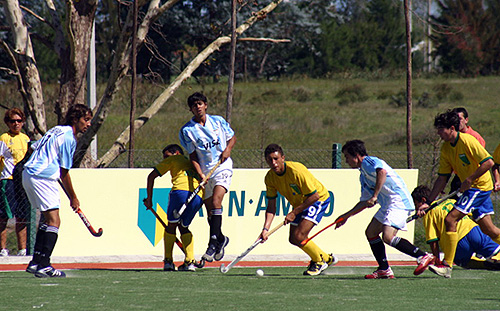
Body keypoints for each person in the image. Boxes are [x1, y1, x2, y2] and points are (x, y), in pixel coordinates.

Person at [334, 140, 434, 279]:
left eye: (347, 157)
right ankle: (384, 269)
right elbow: (364, 202)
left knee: (387, 237)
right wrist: (346, 216)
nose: (346, 161)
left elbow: (382, 172)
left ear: (356, 155)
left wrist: (375, 196)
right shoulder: (363, 175)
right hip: (388, 204)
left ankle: (423, 256)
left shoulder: (368, 162)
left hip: (398, 200)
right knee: (371, 232)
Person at [426, 109, 500, 278]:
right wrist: (429, 201)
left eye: (440, 129)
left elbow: (489, 162)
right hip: (474, 188)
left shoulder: (467, 141)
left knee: (450, 219)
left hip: (478, 187)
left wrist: (469, 179)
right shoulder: (445, 148)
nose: (438, 133)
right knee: (489, 230)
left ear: (452, 128)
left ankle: (447, 266)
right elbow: (442, 178)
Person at [23, 104, 92, 278]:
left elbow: (33, 147)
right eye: (86, 120)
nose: (88, 124)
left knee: (47, 219)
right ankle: (45, 265)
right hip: (43, 177)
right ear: (75, 119)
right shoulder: (70, 138)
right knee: (54, 221)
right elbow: (64, 172)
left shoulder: (56, 130)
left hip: (28, 174)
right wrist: (73, 198)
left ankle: (36, 262)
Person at [259, 144, 337, 276]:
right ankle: (326, 258)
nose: (273, 163)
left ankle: (319, 261)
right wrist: (265, 229)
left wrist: (294, 212)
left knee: (299, 236)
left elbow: (314, 196)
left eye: (276, 159)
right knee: (294, 239)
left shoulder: (296, 171)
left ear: (283, 158)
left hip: (318, 200)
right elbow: (271, 206)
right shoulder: (270, 178)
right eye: (269, 160)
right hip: (300, 203)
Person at [179, 92, 236, 262]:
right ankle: (221, 238)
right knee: (210, 211)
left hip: (223, 166)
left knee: (217, 202)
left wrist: (228, 150)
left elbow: (232, 138)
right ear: (191, 109)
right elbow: (193, 156)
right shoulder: (187, 131)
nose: (198, 107)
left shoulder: (218, 121)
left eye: (200, 103)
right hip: (205, 173)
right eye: (194, 105)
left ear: (205, 105)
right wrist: (200, 174)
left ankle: (212, 243)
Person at [411, 185, 500, 273]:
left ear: (423, 200)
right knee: (496, 251)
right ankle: (494, 262)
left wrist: (437, 260)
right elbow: (470, 215)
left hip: (457, 242)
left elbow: (433, 240)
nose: (416, 208)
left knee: (461, 262)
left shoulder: (429, 213)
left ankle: (485, 265)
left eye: (416, 204)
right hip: (474, 230)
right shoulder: (451, 201)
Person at [143, 144, 203, 271]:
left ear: (176, 153)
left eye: (166, 156)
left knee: (171, 225)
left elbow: (151, 176)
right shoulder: (194, 163)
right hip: (198, 196)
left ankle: (168, 261)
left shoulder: (175, 159)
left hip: (180, 193)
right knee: (184, 226)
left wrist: (149, 199)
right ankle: (189, 262)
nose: (165, 159)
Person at [0, 108, 31, 256]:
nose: (16, 124)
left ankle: (22, 249)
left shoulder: (25, 139)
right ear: (7, 122)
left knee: (22, 215)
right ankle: (3, 249)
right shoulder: (4, 138)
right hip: (8, 180)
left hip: (22, 181)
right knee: (4, 215)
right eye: (13, 121)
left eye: (19, 121)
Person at [449, 107, 486, 194]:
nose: (458, 121)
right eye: (455, 119)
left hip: (473, 179)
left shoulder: (475, 137)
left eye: (460, 119)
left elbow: (483, 161)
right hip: (458, 177)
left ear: (466, 120)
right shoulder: (452, 139)